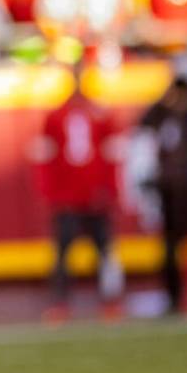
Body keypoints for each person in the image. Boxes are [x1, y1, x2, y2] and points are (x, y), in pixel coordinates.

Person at [31, 60, 124, 320]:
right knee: (62, 254)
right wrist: (50, 193)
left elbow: (111, 156)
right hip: (67, 197)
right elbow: (46, 158)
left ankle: (111, 299)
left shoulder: (101, 113)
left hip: (95, 196)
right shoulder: (56, 115)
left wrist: (110, 190)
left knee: (105, 252)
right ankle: (60, 302)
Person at [131, 57, 187, 313]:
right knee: (169, 249)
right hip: (170, 192)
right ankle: (172, 298)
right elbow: (143, 124)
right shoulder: (163, 112)